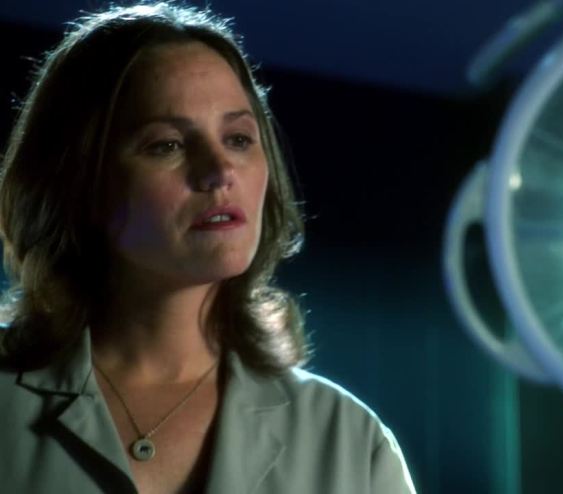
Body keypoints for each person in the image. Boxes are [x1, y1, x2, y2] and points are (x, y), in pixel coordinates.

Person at [0, 3, 416, 493]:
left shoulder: (349, 442)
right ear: (77, 181)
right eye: (167, 145)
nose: (219, 172)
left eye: (238, 138)